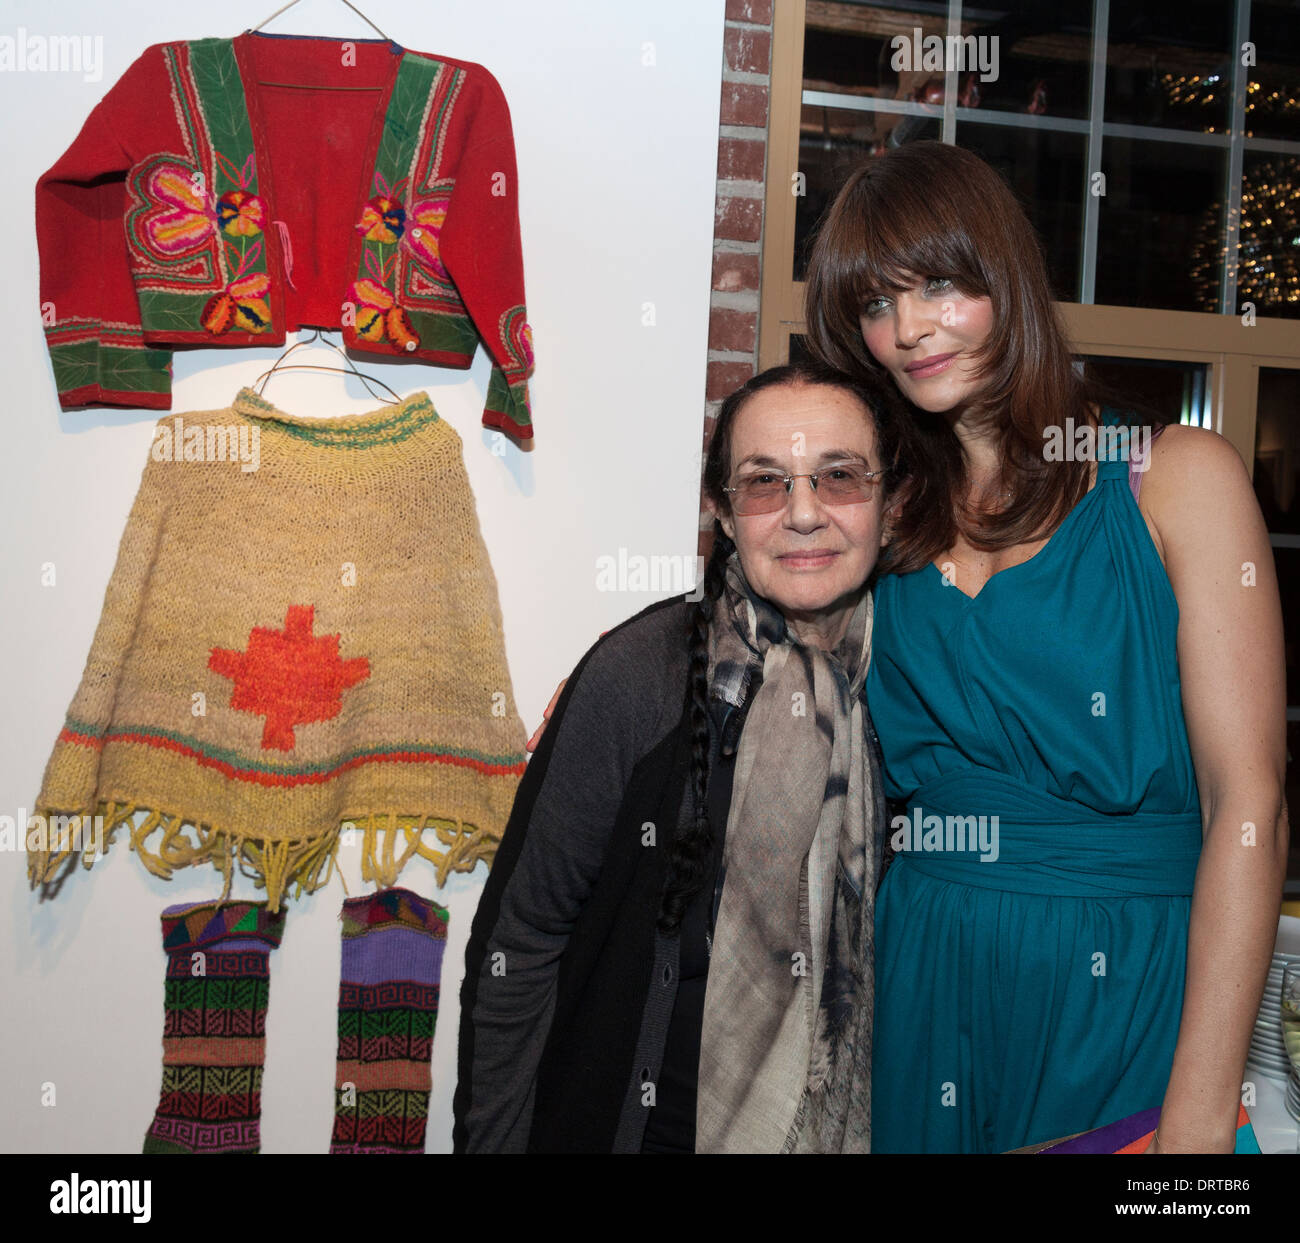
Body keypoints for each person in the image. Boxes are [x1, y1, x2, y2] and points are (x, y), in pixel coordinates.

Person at [802, 139, 1289, 1153]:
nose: (908, 330)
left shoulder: (1173, 479)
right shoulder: (883, 518)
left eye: (938, 283)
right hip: (922, 976)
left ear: (1005, 278)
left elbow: (1249, 803)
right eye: (874, 305)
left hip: (1129, 982)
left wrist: (1198, 1117)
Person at [453, 362, 900, 1152]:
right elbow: (517, 947)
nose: (803, 514)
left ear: (888, 505)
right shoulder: (641, 675)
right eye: (765, 483)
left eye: (839, 477)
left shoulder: (920, 691)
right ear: (723, 514)